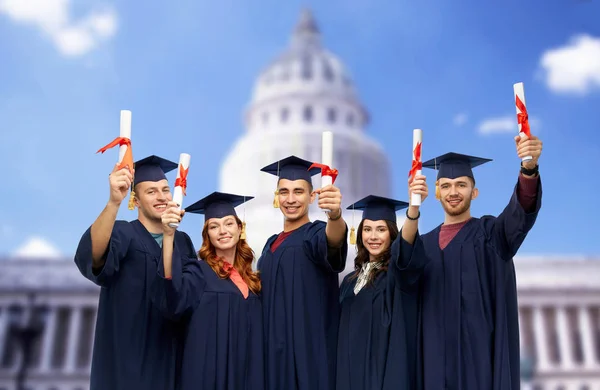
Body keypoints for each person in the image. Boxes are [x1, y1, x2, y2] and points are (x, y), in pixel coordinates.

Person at [417, 135, 543, 389]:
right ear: (437, 193)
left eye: (461, 185)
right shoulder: (421, 247)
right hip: (432, 364)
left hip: (480, 362)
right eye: (447, 185)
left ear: (474, 192)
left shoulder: (491, 235)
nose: (454, 192)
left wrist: (528, 169)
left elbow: (520, 214)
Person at [74, 155, 192, 390]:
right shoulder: (123, 232)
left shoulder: (183, 242)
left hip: (171, 361)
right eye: (151, 192)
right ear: (135, 201)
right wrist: (113, 202)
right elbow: (94, 258)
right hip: (127, 364)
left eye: (165, 190)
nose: (161, 197)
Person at [152, 191, 264, 390]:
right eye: (214, 226)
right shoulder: (198, 273)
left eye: (229, 223)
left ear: (240, 228)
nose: (222, 231)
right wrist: (168, 236)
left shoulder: (253, 281)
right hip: (207, 379)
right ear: (207, 235)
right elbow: (172, 297)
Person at [257, 155, 348, 390]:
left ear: (311, 196)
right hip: (273, 355)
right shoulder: (270, 245)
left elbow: (333, 240)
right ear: (276, 198)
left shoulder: (315, 233)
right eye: (284, 192)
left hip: (308, 354)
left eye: (298, 191)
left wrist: (335, 215)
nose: (290, 199)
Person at [337, 175, 428, 390]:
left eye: (381, 229)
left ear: (392, 234)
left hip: (383, 376)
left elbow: (406, 251)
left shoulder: (396, 276)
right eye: (367, 229)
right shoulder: (349, 282)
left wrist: (413, 211)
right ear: (360, 235)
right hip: (348, 376)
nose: (373, 236)